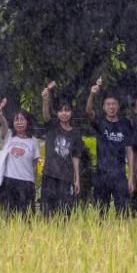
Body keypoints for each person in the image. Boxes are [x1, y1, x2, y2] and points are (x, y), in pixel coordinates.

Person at [85, 78, 134, 215]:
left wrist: (131, 176)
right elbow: (88, 111)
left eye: (114, 104)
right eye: (108, 104)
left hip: (119, 173)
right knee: (101, 212)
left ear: (118, 106)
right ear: (103, 107)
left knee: (123, 211)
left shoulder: (125, 124)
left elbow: (130, 150)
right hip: (102, 172)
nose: (111, 107)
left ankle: (122, 229)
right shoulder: (100, 122)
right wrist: (92, 94)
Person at [39, 85, 84, 216]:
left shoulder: (75, 133)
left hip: (66, 176)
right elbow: (45, 115)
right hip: (49, 174)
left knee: (65, 211)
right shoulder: (52, 127)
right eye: (61, 111)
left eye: (67, 110)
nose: (64, 113)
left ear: (71, 112)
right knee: (47, 210)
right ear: (57, 113)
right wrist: (44, 100)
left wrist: (77, 178)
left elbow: (75, 156)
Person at [0, 101, 40, 217]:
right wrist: (1, 116)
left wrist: (33, 183)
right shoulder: (8, 136)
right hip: (8, 180)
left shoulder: (33, 141)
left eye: (22, 119)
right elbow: (4, 126)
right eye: (16, 120)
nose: (19, 122)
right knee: (8, 214)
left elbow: (34, 166)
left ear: (27, 122)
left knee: (26, 215)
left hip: (26, 182)